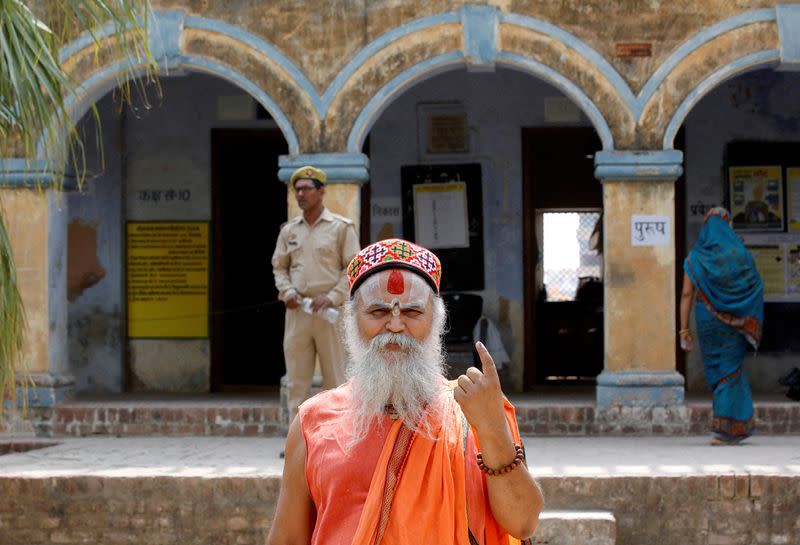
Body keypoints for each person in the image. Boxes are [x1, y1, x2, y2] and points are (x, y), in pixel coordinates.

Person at [267, 238, 543, 545]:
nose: (395, 325)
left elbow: (524, 523)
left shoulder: (475, 411)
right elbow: (288, 538)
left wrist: (492, 431)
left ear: (436, 321)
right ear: (351, 321)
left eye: (412, 311)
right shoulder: (312, 422)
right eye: (377, 311)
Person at [272, 165, 361, 423]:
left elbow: (353, 268)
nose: (300, 194)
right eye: (297, 189)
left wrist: (332, 296)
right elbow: (279, 266)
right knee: (297, 381)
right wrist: (287, 291)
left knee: (336, 379)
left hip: (329, 312)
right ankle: (295, 441)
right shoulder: (289, 231)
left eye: (306, 189)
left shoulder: (341, 228)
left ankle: (341, 436)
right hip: (298, 311)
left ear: (321, 192)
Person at [679, 207, 764, 445]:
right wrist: (746, 313)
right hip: (736, 322)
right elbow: (756, 286)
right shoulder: (742, 255)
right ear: (728, 226)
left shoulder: (695, 257)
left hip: (707, 320)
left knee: (718, 370)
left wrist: (684, 331)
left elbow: (687, 294)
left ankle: (727, 429)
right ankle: (735, 426)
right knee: (731, 368)